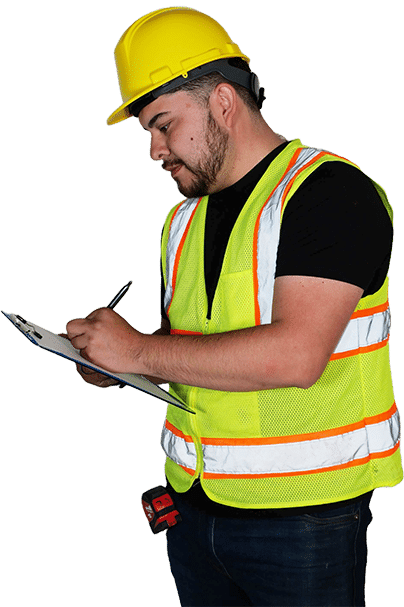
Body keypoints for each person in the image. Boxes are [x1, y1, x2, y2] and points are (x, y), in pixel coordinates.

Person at [65, 7, 402, 606]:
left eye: (163, 124)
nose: (153, 150)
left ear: (223, 101)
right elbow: (189, 352)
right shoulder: (182, 220)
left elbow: (296, 357)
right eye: (148, 131)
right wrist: (118, 364)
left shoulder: (330, 195)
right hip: (191, 510)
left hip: (303, 518)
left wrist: (138, 347)